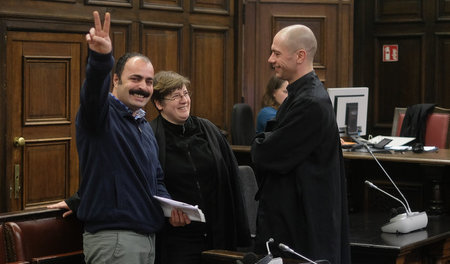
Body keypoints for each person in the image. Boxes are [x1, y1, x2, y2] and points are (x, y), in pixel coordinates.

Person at [48, 11, 188, 264]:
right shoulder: (99, 116)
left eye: (148, 81)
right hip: (115, 240)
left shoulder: (144, 126)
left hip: (146, 238)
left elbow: (154, 179)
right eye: (135, 79)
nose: (143, 87)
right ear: (115, 80)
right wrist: (101, 58)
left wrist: (172, 208)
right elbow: (92, 92)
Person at [251, 24, 351, 263]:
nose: (270, 59)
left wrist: (261, 142)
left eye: (276, 53)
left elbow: (265, 153)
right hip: (294, 214)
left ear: (300, 56)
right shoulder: (301, 94)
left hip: (302, 221)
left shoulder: (310, 102)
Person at [150, 71, 250, 264]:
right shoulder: (150, 136)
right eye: (175, 96)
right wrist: (167, 216)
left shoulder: (209, 130)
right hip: (178, 237)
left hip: (217, 231)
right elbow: (149, 185)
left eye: (185, 93)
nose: (184, 100)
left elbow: (231, 180)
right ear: (159, 104)